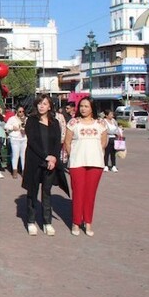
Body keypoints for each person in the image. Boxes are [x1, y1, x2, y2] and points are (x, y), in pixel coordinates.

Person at [22, 94, 69, 236]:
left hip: (51, 163)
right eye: (40, 103)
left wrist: (53, 157)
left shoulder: (54, 122)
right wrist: (45, 156)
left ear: (50, 106)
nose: (42, 106)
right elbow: (32, 142)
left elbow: (57, 142)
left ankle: (47, 222)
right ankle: (30, 221)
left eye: (45, 104)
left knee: (47, 192)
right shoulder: (31, 120)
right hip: (35, 161)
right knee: (32, 191)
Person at [64, 96, 107, 237]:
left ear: (92, 108)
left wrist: (94, 152)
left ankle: (88, 222)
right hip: (77, 163)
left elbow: (104, 143)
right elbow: (67, 143)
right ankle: (76, 222)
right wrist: (74, 155)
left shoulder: (100, 124)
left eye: (86, 106)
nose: (83, 109)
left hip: (96, 163)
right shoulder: (73, 122)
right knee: (78, 193)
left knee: (90, 194)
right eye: (81, 106)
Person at [5, 105, 27, 179]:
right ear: (16, 111)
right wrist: (13, 127)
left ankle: (24, 171)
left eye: (23, 111)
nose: (21, 113)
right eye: (20, 111)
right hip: (15, 138)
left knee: (23, 155)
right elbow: (6, 126)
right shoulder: (12, 119)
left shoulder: (26, 118)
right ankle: (15, 171)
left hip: (24, 138)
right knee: (15, 155)